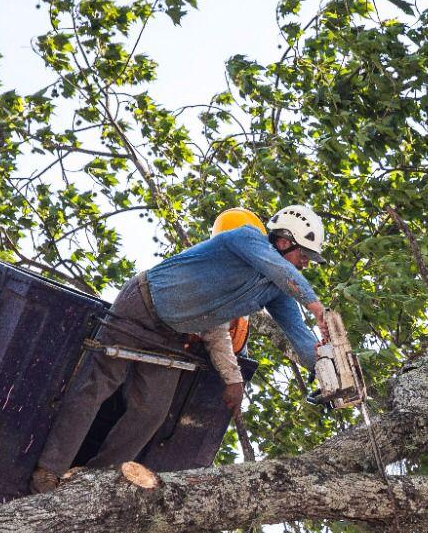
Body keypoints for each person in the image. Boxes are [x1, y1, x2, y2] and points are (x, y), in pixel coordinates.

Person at [30, 204, 334, 493]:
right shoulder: (245, 238)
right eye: (304, 254)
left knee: (152, 411)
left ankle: (92, 482)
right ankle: (49, 470)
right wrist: (317, 307)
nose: (306, 263)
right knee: (97, 385)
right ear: (283, 241)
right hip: (141, 306)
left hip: (170, 334)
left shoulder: (275, 291)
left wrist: (325, 370)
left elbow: (298, 333)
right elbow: (284, 273)